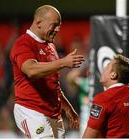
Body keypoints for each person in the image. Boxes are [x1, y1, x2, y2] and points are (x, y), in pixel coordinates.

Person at [10, 5, 84, 138]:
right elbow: (31, 70)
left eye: (59, 26)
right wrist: (63, 62)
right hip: (31, 111)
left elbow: (53, 85)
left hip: (53, 114)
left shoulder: (50, 47)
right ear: (39, 22)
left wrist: (68, 108)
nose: (58, 29)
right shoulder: (23, 43)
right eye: (54, 25)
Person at [83, 54, 129, 138]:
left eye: (107, 67)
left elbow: (89, 136)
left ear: (113, 75)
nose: (103, 70)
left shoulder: (103, 99)